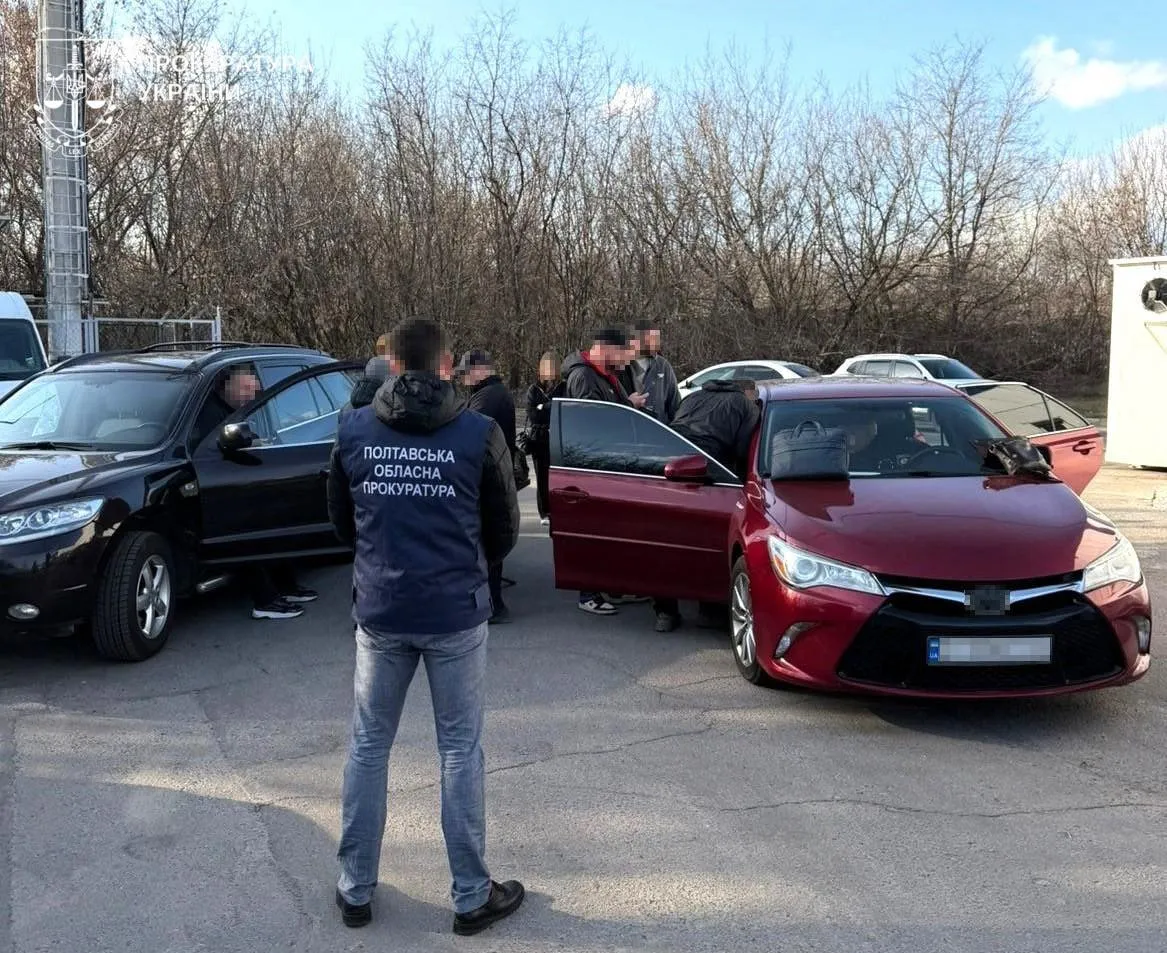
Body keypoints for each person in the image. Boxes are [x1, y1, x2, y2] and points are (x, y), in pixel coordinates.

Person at [327, 316, 523, 936]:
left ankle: (355, 887)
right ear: (446, 367)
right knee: (459, 751)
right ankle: (470, 895)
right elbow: (504, 533)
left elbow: (341, 522)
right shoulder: (479, 432)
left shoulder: (354, 429)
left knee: (368, 747)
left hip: (381, 611)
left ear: (390, 363)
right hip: (454, 615)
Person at [203, 366, 317, 619]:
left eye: (255, 385)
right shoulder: (212, 415)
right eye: (246, 386)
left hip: (256, 479)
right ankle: (265, 600)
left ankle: (286, 586)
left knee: (278, 524)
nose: (254, 391)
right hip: (226, 490)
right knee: (249, 531)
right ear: (227, 387)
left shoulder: (247, 409)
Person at [649, 379, 762, 632]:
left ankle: (665, 612)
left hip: (668, 468)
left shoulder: (692, 398)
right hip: (708, 473)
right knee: (708, 542)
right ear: (748, 392)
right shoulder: (745, 405)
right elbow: (744, 451)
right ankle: (709, 610)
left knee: (667, 542)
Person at [561, 328, 650, 615]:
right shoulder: (583, 377)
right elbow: (592, 422)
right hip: (591, 470)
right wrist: (628, 405)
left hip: (607, 466)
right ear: (608, 349)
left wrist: (628, 404)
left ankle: (611, 585)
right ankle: (588, 593)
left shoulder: (604, 376)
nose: (627, 362)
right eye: (624, 355)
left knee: (611, 532)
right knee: (594, 532)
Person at [456, 349, 517, 624]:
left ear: (481, 369)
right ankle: (493, 602)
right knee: (488, 541)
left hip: (488, 478)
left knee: (486, 543)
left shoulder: (489, 397)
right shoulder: (491, 393)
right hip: (493, 475)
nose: (463, 379)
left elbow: (468, 433)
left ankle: (493, 604)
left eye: (466, 373)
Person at [523, 351, 563, 525]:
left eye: (552, 367)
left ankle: (557, 510)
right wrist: (547, 407)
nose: (549, 371)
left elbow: (562, 408)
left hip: (557, 438)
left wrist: (543, 407)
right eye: (546, 367)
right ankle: (544, 512)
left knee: (557, 477)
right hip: (538, 440)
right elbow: (533, 415)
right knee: (542, 477)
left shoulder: (562, 387)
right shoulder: (533, 389)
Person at [619, 318, 680, 423]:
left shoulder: (663, 366)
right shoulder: (618, 364)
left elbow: (675, 406)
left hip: (657, 432)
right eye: (650, 338)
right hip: (626, 431)